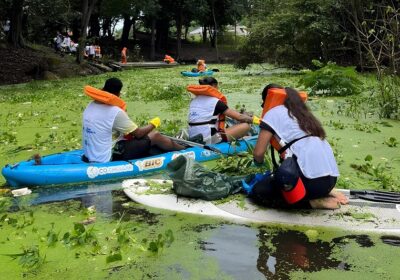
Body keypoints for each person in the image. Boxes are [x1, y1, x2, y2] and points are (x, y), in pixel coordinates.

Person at [251, 85, 348, 209]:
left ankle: (311, 203)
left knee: (259, 191)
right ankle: (327, 191)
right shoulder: (302, 113)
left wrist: (258, 166)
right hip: (330, 181)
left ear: (268, 100)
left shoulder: (272, 113)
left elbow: (258, 153)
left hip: (310, 185)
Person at [82, 78, 184, 163]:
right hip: (108, 157)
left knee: (141, 137)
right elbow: (138, 134)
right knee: (155, 135)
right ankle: (185, 150)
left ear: (103, 89)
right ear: (118, 94)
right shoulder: (115, 112)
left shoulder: (90, 105)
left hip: (90, 155)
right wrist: (153, 124)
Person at [187, 77, 256, 144]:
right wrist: (253, 120)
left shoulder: (194, 100)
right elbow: (240, 117)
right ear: (214, 86)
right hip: (208, 138)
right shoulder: (216, 101)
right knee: (245, 126)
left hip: (193, 136)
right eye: (217, 87)